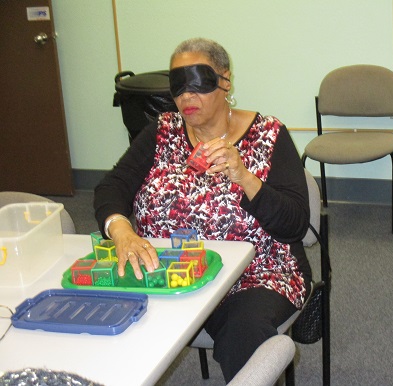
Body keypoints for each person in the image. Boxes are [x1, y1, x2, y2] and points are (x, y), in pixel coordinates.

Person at [94, 37, 312, 383]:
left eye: (198, 83)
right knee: (106, 317)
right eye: (178, 86)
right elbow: (111, 187)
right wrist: (120, 229)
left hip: (255, 274)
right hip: (168, 271)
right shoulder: (162, 133)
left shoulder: (269, 134)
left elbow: (295, 223)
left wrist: (244, 177)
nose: (186, 96)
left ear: (225, 81)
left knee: (245, 332)